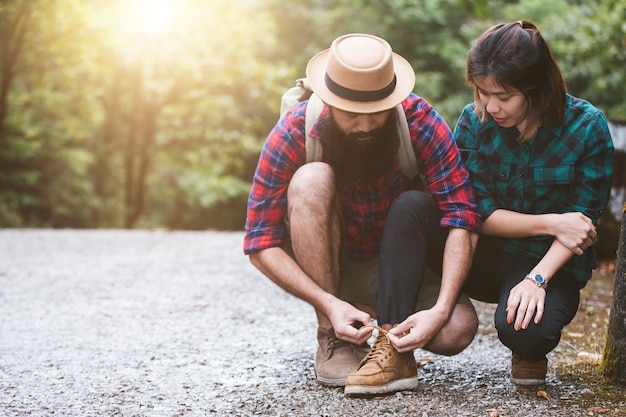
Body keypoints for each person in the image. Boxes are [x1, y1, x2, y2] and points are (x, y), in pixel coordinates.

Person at [243, 33, 481, 395]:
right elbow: (260, 242)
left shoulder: (419, 121)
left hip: (398, 266)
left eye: (378, 112)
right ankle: (334, 335)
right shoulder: (294, 130)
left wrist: (441, 307)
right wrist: (327, 304)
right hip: (329, 264)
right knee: (311, 179)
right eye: (353, 115)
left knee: (456, 328)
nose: (367, 126)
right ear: (328, 101)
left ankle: (383, 326)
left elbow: (462, 215)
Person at [453, 20, 614, 385]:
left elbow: (581, 228)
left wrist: (537, 279)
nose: (490, 106)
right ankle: (420, 322)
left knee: (526, 331)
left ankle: (527, 348)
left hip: (549, 259)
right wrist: (554, 221)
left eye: (504, 96)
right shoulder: (472, 121)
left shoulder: (588, 128)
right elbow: (478, 212)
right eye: (482, 91)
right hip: (485, 252)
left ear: (536, 87)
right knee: (415, 208)